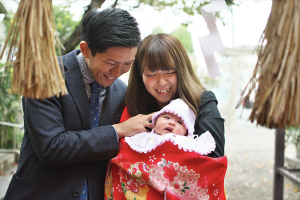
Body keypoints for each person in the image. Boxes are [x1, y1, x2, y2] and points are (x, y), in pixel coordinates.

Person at [4, 8, 153, 200]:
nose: (118, 72)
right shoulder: (44, 76)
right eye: (111, 63)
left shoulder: (122, 92)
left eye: (127, 64)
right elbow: (52, 148)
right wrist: (118, 130)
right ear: (86, 50)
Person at [126, 33, 225, 158]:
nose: (162, 82)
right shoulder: (132, 102)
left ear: (183, 71)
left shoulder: (202, 101)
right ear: (140, 76)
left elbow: (214, 158)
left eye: (170, 72)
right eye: (151, 74)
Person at [105, 99, 227, 199]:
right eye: (167, 117)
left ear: (187, 131)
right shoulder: (141, 139)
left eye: (179, 122)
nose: (172, 123)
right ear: (155, 120)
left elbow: (197, 165)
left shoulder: (187, 143)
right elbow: (124, 155)